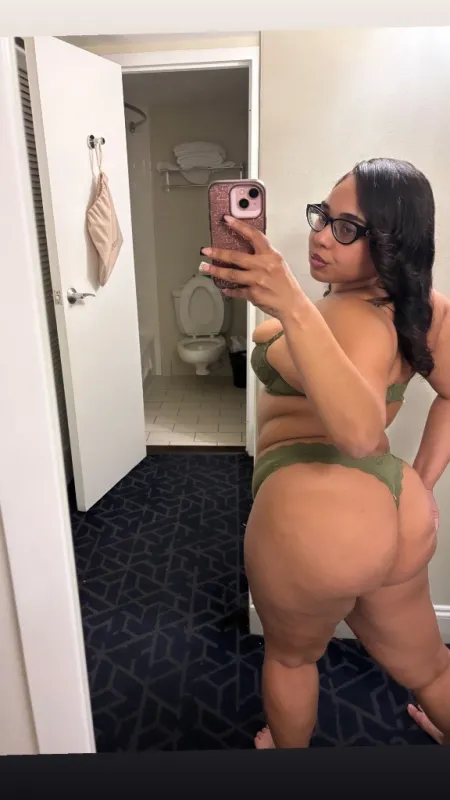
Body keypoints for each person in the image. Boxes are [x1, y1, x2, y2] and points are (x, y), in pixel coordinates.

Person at [199, 158, 450, 748]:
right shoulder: (424, 308)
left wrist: (290, 305)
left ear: (393, 242)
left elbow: (360, 433)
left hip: (318, 518)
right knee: (431, 668)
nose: (320, 237)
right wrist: (420, 481)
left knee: (291, 660)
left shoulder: (349, 315)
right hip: (395, 507)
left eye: (347, 229)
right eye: (323, 216)